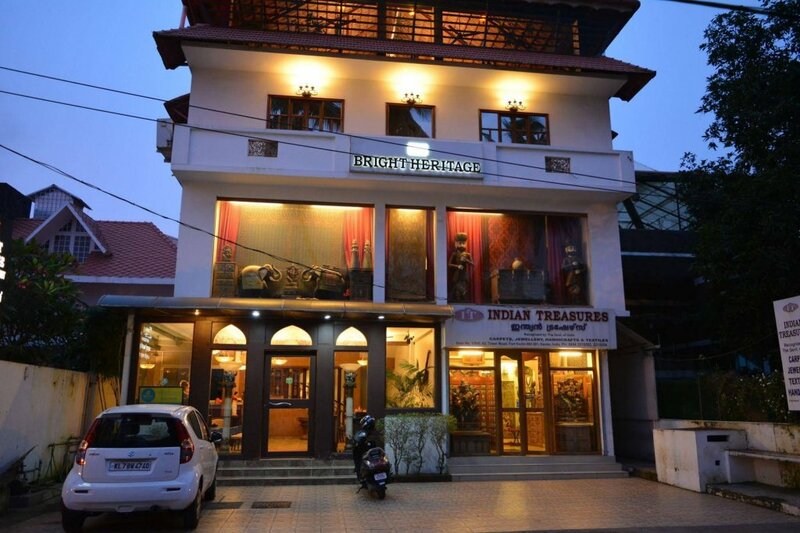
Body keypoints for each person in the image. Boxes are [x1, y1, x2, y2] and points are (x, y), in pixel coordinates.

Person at [353, 415, 384, 483]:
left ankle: (363, 477)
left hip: (369, 453)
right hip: (368, 453)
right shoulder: (366, 433)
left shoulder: (364, 433)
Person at [448, 232, 473, 302]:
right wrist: (457, 266)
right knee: (457, 287)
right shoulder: (454, 254)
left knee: (463, 287)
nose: (462, 245)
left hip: (464, 273)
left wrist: (466, 260)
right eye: (460, 243)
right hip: (457, 273)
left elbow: (473, 264)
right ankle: (459, 296)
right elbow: (449, 264)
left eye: (463, 243)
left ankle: (463, 298)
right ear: (456, 243)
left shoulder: (468, 254)